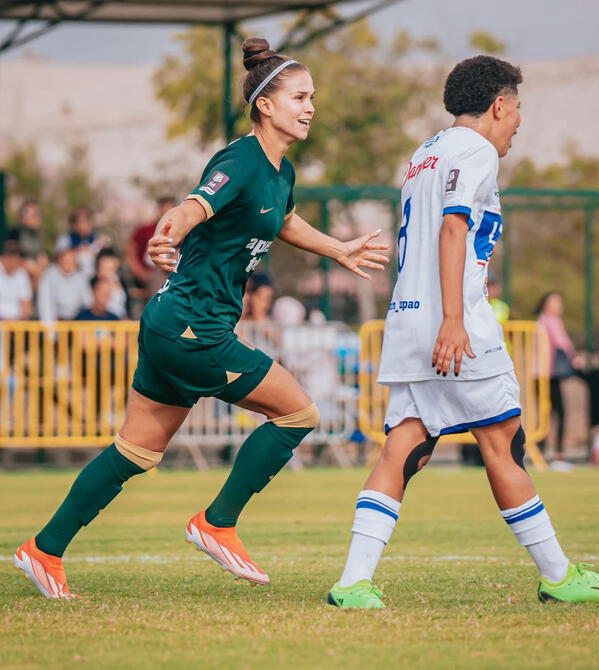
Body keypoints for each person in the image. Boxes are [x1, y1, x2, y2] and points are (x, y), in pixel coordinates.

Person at [14, 37, 389, 599]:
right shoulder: (238, 160)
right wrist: (168, 236)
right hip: (193, 327)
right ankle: (216, 524)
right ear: (265, 104)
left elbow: (282, 222)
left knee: (134, 452)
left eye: (313, 98)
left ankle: (43, 550)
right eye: (299, 96)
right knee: (298, 414)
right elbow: (190, 207)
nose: (310, 106)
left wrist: (337, 248)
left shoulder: (279, 171)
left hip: (174, 324)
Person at [327, 55, 599, 609]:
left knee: (404, 448)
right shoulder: (477, 151)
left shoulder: (424, 154)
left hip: (406, 318)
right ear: (499, 105)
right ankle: (559, 576)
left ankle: (353, 581)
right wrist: (453, 318)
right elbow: (452, 227)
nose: (518, 122)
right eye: (517, 110)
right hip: (454, 323)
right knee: (503, 442)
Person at [535, 292, 576, 466]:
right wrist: (575, 359)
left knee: (545, 412)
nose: (559, 306)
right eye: (555, 302)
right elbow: (563, 343)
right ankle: (558, 453)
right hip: (548, 373)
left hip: (537, 373)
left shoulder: (540, 321)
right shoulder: (551, 321)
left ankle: (542, 451)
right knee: (559, 412)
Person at [125, 197, 176, 301]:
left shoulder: (180, 231)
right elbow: (131, 252)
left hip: (173, 272)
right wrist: (141, 273)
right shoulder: (145, 230)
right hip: (151, 272)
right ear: (159, 210)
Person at [37, 248, 91, 323]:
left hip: (77, 322)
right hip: (56, 321)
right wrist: (50, 328)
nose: (69, 263)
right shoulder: (50, 275)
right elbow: (45, 303)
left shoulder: (80, 277)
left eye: (72, 260)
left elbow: (87, 302)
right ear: (60, 260)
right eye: (66, 260)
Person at [55, 207, 108, 278]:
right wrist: (78, 251)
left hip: (95, 278)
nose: (84, 225)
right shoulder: (65, 239)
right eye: (80, 221)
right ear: (73, 224)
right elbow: (58, 258)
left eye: (87, 220)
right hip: (71, 277)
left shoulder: (98, 239)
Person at [6, 199, 48, 288]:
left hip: (36, 274)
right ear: (24, 216)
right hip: (19, 273)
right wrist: (25, 264)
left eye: (39, 214)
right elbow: (9, 258)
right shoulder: (15, 232)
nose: (38, 218)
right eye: (35, 214)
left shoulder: (37, 233)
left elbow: (41, 255)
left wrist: (42, 263)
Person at [0, 240, 33, 321]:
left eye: (15, 258)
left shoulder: (22, 275)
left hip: (17, 323)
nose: (12, 262)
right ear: (3, 258)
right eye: (9, 257)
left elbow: (26, 306)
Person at [95, 248, 128, 319]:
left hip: (121, 321)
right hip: (103, 320)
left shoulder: (121, 281)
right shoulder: (94, 281)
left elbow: (126, 305)